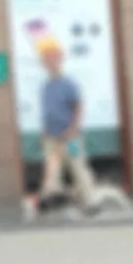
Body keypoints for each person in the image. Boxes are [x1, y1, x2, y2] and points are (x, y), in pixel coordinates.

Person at [34, 39, 87, 203]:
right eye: (45, 59)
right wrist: (44, 129)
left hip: (70, 137)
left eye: (52, 57)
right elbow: (46, 111)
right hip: (52, 136)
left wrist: (73, 128)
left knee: (77, 167)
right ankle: (53, 199)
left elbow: (78, 107)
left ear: (59, 59)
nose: (49, 62)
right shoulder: (46, 86)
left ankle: (89, 200)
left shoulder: (68, 83)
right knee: (52, 170)